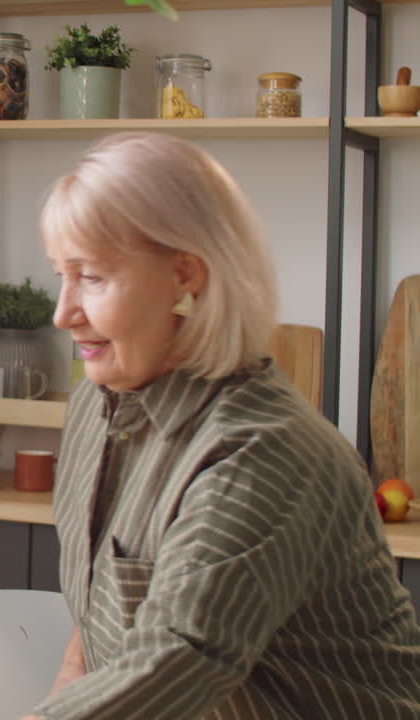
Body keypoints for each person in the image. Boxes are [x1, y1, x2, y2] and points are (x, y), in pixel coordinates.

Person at [21, 131, 420, 719]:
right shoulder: (96, 404)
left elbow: (177, 659)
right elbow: (97, 623)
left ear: (187, 275)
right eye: (62, 274)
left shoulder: (260, 450)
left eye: (92, 278)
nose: (62, 313)